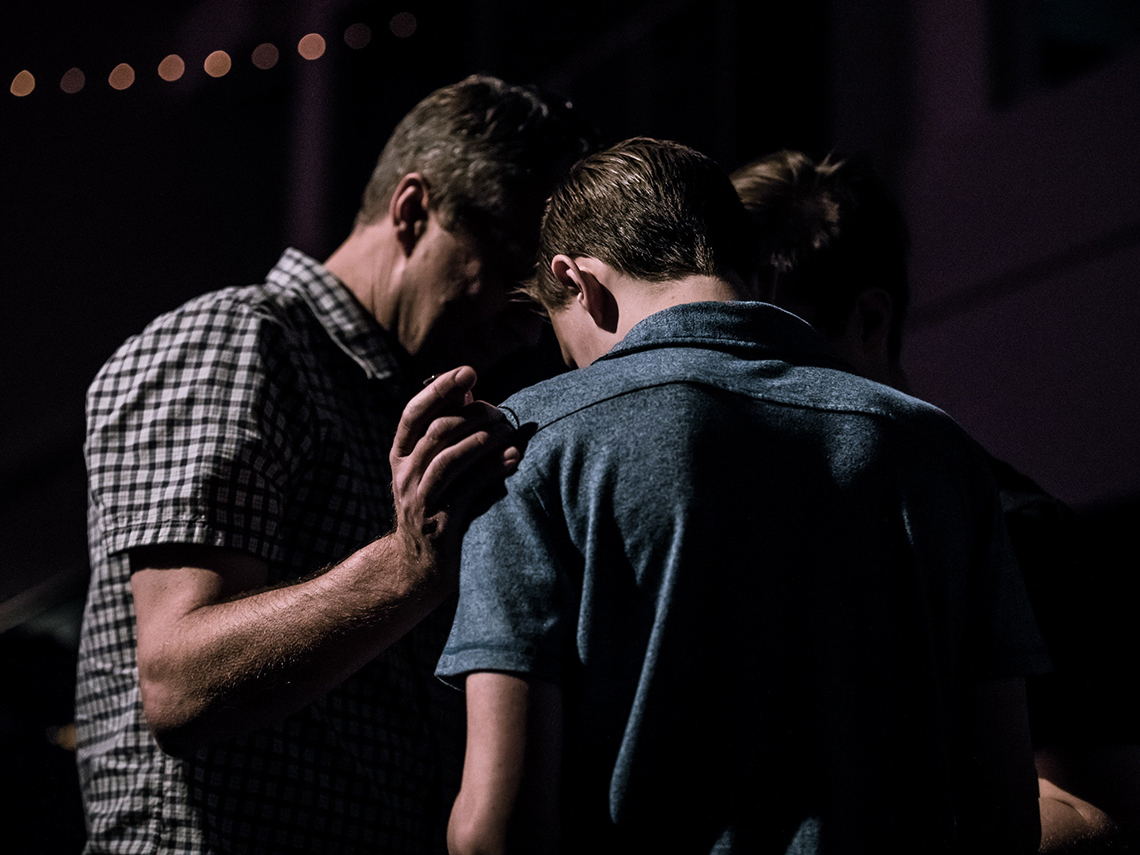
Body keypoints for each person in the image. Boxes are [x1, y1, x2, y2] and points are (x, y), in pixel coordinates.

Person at [436, 137, 1047, 854]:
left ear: (580, 282)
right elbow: (1005, 814)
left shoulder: (530, 444)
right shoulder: (938, 451)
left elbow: (494, 828)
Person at [75, 74, 597, 855]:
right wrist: (407, 565)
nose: (529, 324)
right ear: (414, 209)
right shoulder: (241, 341)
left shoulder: (396, 394)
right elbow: (178, 682)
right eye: (510, 262)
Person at [731, 149, 1139, 852]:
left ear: (869, 320)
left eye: (774, 345)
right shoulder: (751, 523)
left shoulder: (1017, 530)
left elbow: (1101, 815)